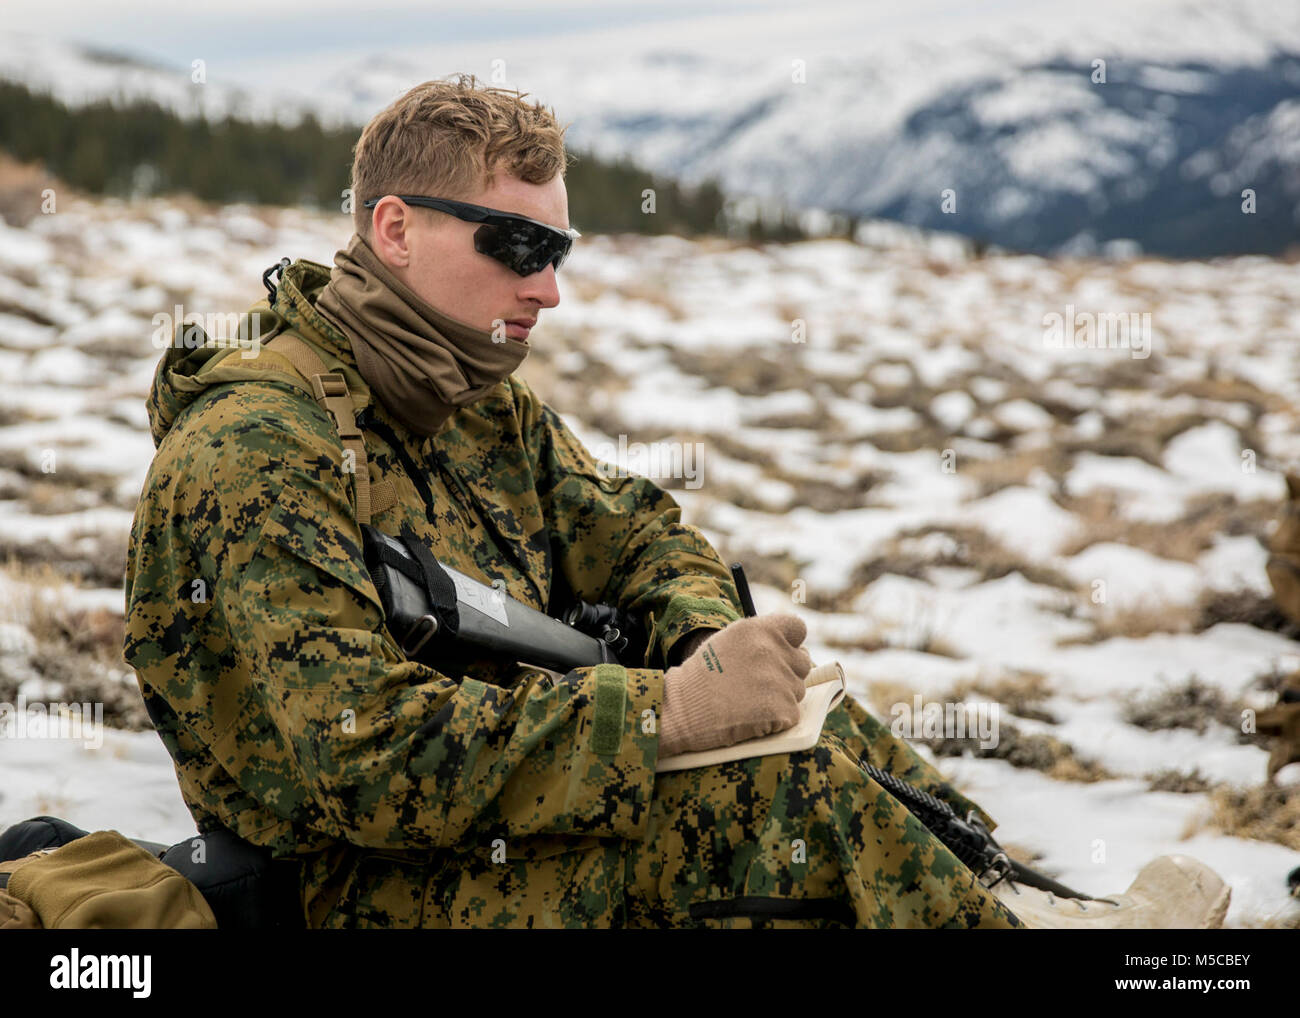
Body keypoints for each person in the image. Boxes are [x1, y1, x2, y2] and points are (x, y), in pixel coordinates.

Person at [121, 73, 1227, 929]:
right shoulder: (260, 448)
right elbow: (365, 761)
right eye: (515, 244)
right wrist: (666, 717)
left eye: (557, 248)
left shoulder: (470, 400)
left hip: (492, 819)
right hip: (346, 885)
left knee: (811, 717)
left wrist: (707, 642)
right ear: (395, 229)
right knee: (774, 803)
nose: (547, 286)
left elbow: (641, 531)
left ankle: (1016, 897)